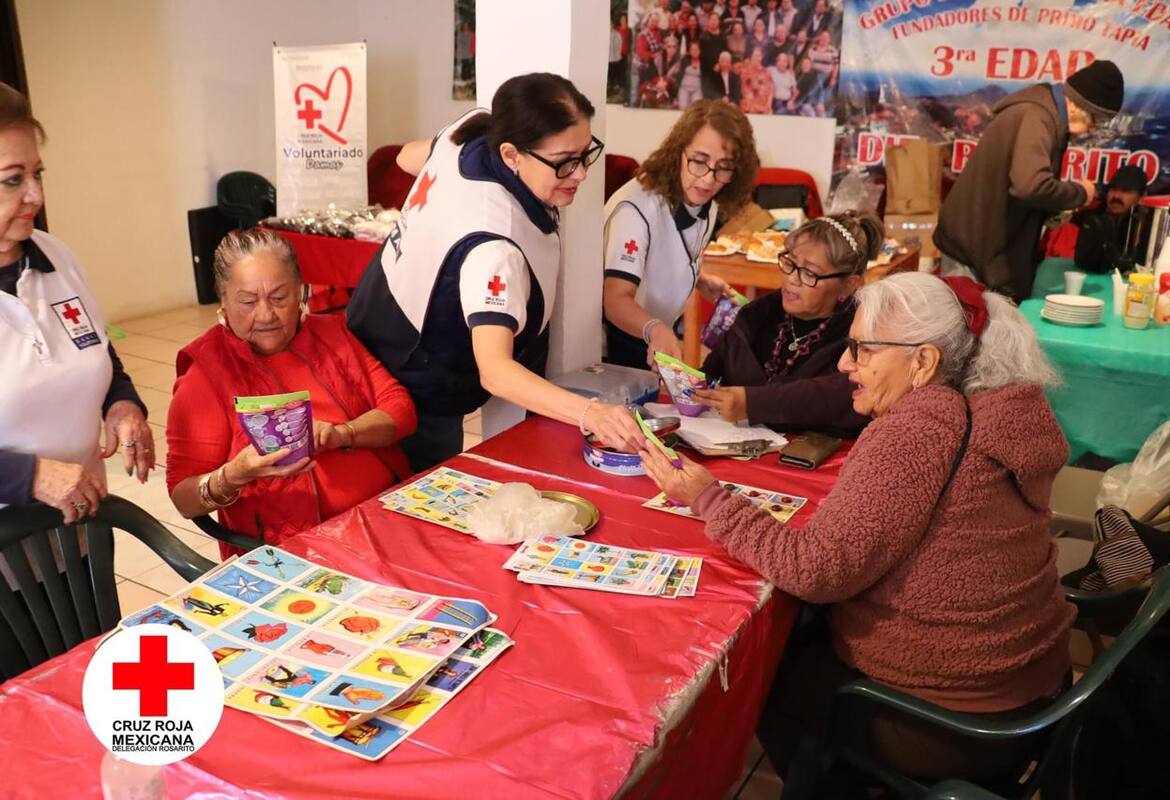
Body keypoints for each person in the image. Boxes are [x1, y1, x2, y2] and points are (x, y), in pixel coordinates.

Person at [639, 271, 1075, 786]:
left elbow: (816, 571)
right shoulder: (996, 411)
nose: (845, 364)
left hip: (952, 722)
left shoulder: (921, 427)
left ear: (924, 361)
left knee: (761, 668)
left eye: (863, 350)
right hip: (1031, 692)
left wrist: (707, 497)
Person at [348, 73, 643, 471]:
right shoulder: (495, 248)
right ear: (511, 155)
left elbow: (405, 158)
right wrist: (593, 414)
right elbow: (496, 372)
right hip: (413, 377)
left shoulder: (472, 132)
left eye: (585, 153)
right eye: (564, 163)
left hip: (377, 318)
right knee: (416, 491)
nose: (581, 174)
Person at [166, 229, 417, 557]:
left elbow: (401, 409)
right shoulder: (205, 374)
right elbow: (183, 498)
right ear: (224, 301)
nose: (265, 315)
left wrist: (343, 434)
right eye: (248, 302)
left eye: (279, 297)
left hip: (385, 514)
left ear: (301, 291)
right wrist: (234, 475)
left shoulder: (332, 335)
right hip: (298, 550)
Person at [0, 82, 154, 524]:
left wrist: (121, 403)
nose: (36, 195)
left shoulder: (57, 257)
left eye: (38, 174)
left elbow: (94, 347)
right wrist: (30, 476)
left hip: (78, 528)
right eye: (13, 180)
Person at [934, 60, 1124, 299]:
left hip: (982, 243)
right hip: (970, 249)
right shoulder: (1038, 117)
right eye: (1096, 120)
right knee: (966, 319)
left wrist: (1050, 211)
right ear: (1078, 105)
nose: (1092, 129)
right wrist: (1080, 193)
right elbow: (1029, 186)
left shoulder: (1046, 116)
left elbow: (1018, 184)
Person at [603, 100, 760, 369]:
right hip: (618, 343)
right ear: (678, 153)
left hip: (654, 335)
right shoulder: (635, 209)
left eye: (724, 167)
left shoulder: (707, 202)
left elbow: (666, 251)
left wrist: (698, 278)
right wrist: (655, 328)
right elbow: (615, 300)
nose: (709, 179)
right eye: (699, 161)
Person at [696, 213, 876, 437]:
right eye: (790, 263)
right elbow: (711, 372)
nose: (792, 279)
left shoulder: (863, 333)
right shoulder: (757, 314)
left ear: (849, 284)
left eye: (809, 273)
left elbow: (844, 396)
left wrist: (754, 403)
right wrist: (683, 381)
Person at [1072, 164, 1149, 273]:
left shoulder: (1147, 225)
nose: (1116, 196)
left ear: (1142, 196)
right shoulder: (1091, 216)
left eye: (1126, 191)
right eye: (1113, 189)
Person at [735, 46, 773, 115]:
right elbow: (729, 69)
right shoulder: (743, 67)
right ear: (751, 56)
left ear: (761, 57)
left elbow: (770, 90)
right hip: (747, 107)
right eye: (755, 55)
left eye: (759, 56)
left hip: (762, 108)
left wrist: (769, 105)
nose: (756, 58)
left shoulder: (766, 72)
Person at [675, 42, 706, 109]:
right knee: (682, 107)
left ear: (700, 51)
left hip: (697, 89)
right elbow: (679, 76)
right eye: (692, 49)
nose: (694, 51)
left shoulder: (704, 62)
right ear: (689, 51)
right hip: (684, 89)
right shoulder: (685, 61)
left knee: (697, 108)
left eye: (696, 49)